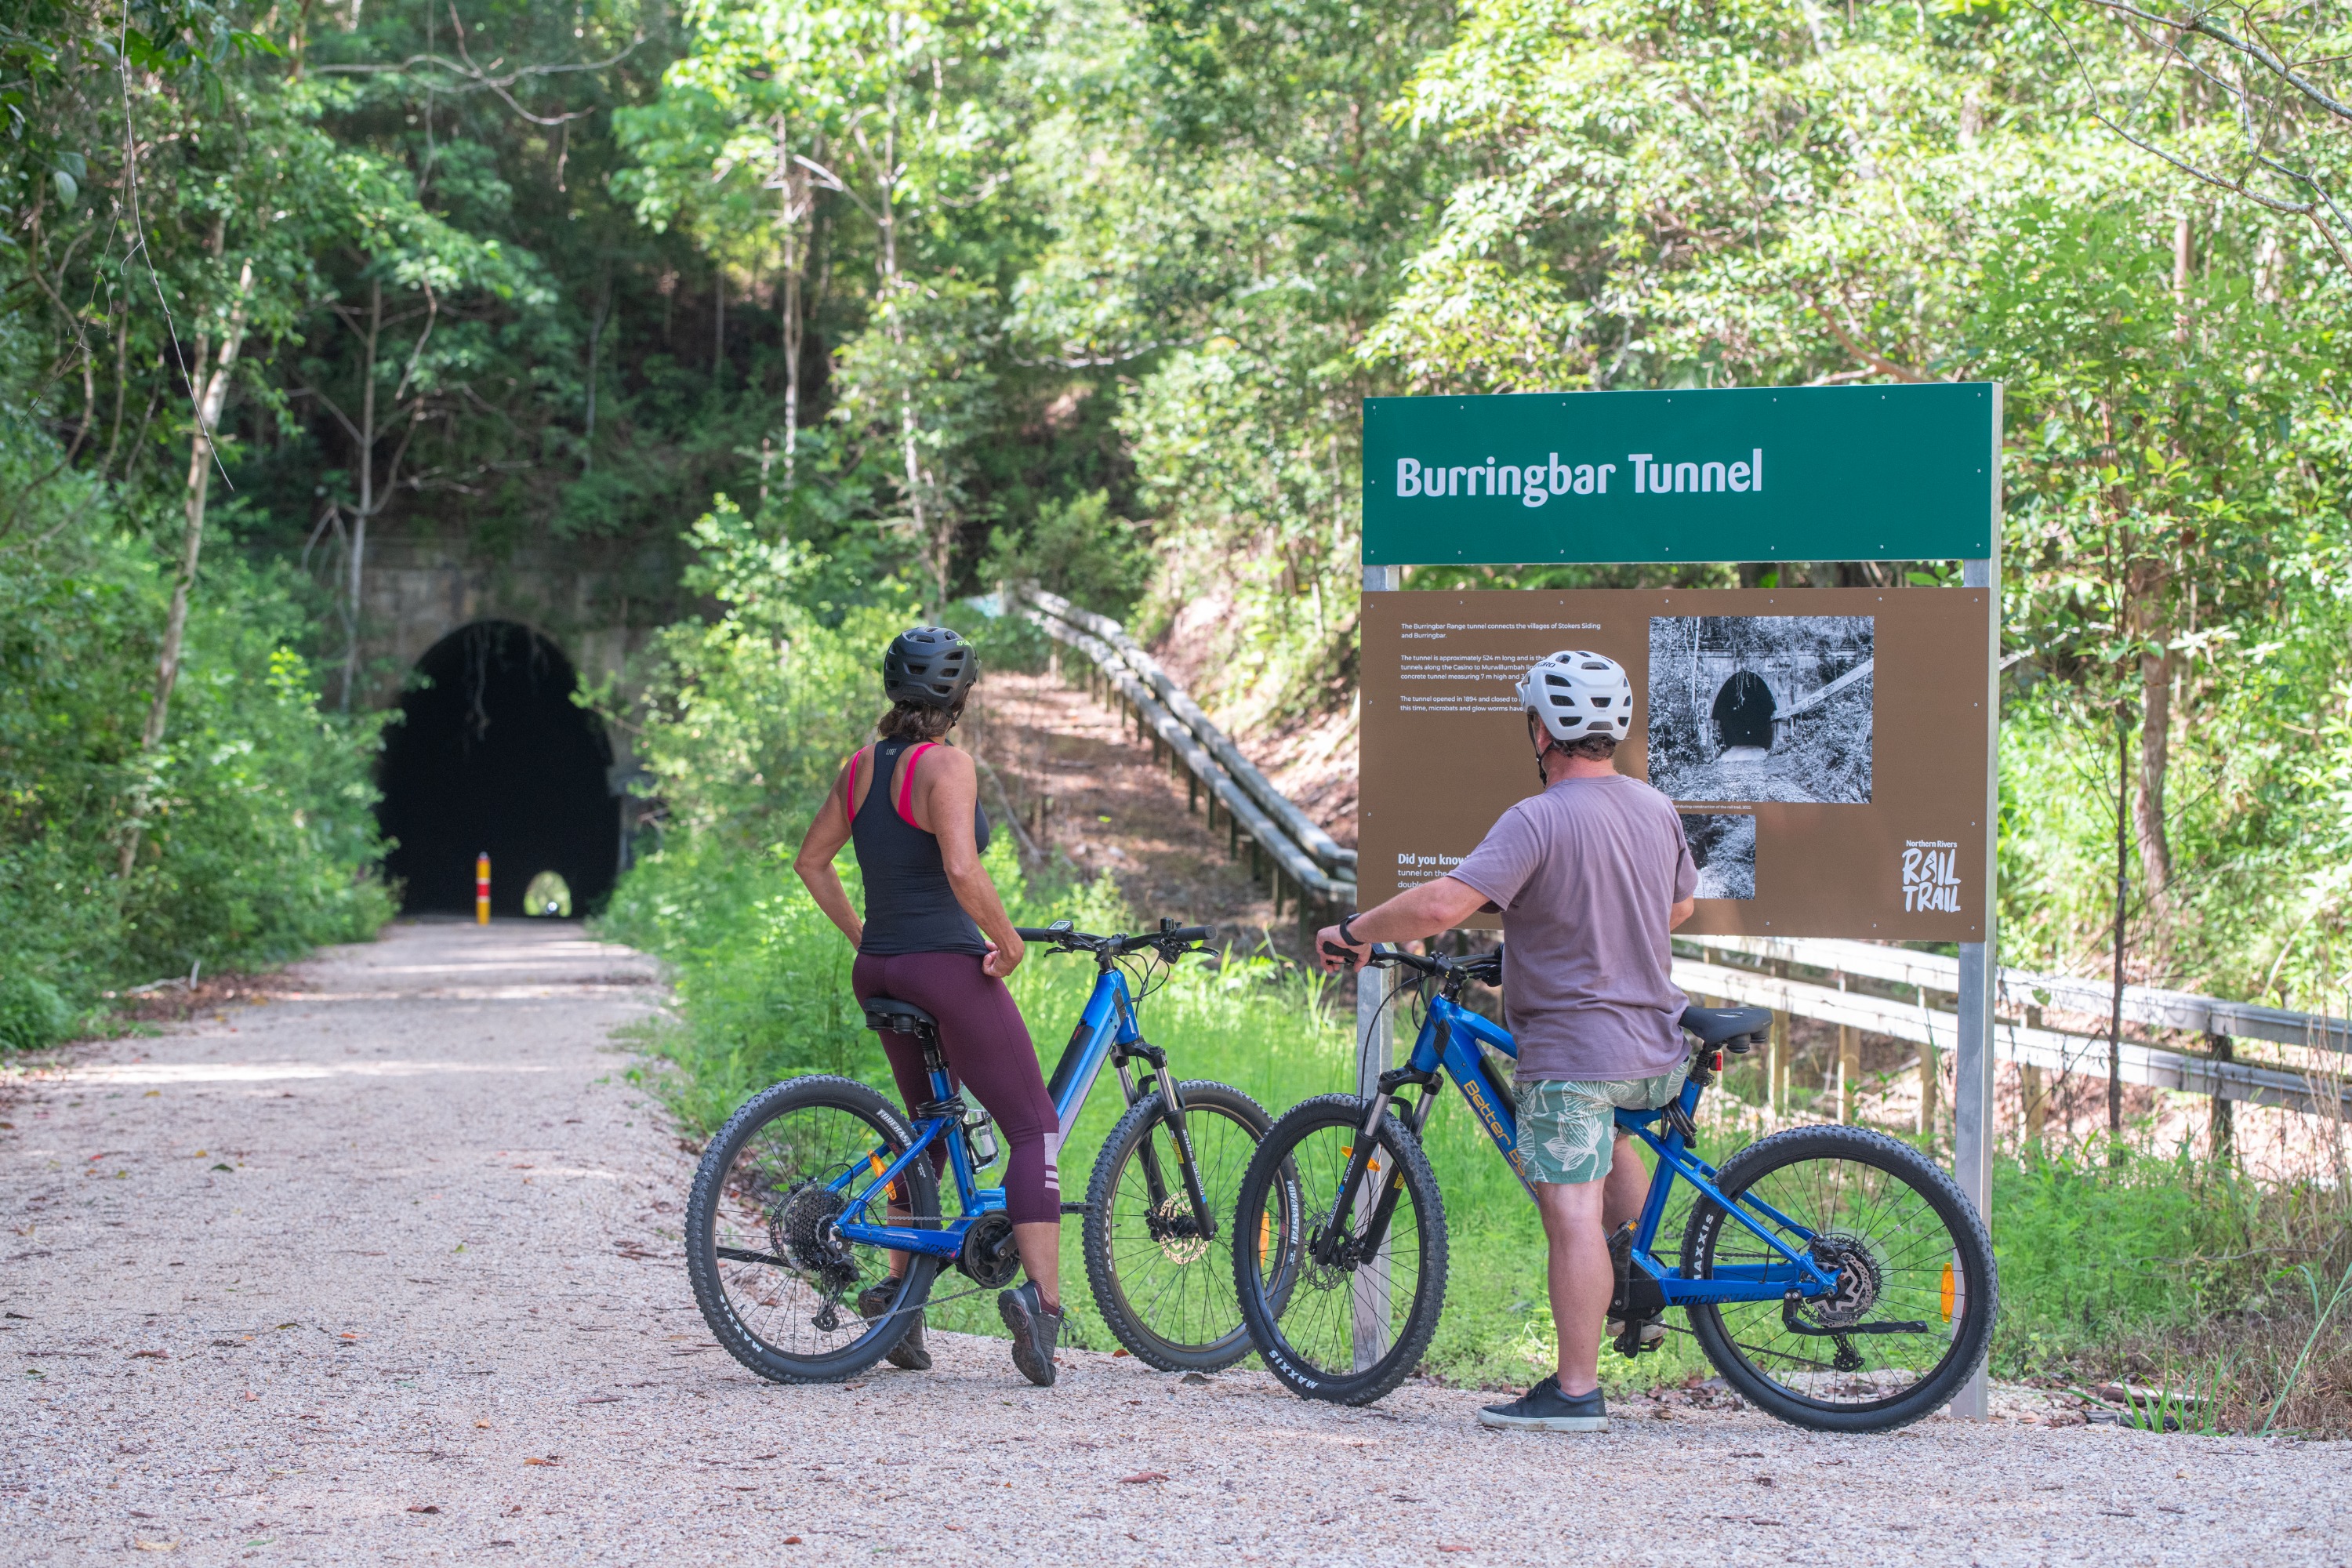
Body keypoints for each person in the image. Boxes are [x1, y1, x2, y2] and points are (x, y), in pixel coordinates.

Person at [1316, 648, 1697, 1433]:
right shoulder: (1655, 807)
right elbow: (1680, 906)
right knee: (1607, 1155)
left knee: (1570, 1213)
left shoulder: (1540, 817)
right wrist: (1581, 931)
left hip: (1578, 1055)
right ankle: (1632, 1287)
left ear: (1543, 731)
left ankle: (1577, 1390)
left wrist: (1356, 930)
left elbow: (1442, 905)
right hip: (1654, 1046)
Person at [793, 625, 1066, 1387]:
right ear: (960, 697)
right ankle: (1042, 1308)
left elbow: (810, 861)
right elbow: (960, 865)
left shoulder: (858, 769)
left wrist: (864, 935)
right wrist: (1007, 942)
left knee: (928, 1136)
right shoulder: (946, 764)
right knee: (1034, 1128)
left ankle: (902, 1308)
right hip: (946, 968)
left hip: (880, 967)